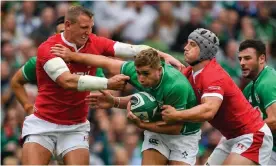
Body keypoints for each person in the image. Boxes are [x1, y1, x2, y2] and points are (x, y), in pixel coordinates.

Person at [21, 5, 183, 165]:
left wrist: (162, 55)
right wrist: (108, 83)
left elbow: (130, 49)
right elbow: (67, 81)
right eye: (84, 27)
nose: (88, 32)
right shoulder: (48, 48)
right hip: (43, 123)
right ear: (68, 25)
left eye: (91, 27)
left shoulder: (94, 42)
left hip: (75, 126)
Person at [50, 47, 202, 165]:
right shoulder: (138, 73)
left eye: (146, 73)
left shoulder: (176, 86)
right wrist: (72, 56)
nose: (141, 78)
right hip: (157, 131)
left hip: (183, 135)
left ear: (159, 70)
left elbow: (176, 128)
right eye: (138, 73)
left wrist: (142, 125)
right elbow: (106, 63)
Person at [161, 28, 273, 165]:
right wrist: (162, 56)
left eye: (192, 44)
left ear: (204, 49)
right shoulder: (190, 73)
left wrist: (177, 115)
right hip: (230, 136)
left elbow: (209, 110)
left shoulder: (213, 75)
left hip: (252, 135)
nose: (185, 48)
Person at [11, 16, 105, 116]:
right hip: (45, 122)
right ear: (55, 36)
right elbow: (16, 82)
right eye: (62, 33)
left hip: (76, 123)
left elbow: (104, 90)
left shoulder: (89, 62)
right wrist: (28, 107)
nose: (67, 37)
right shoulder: (40, 61)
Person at [238, 39, 276, 165]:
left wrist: (245, 131)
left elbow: (274, 120)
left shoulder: (268, 83)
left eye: (247, 58)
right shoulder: (249, 88)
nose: (242, 63)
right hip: (267, 147)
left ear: (261, 59)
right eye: (240, 59)